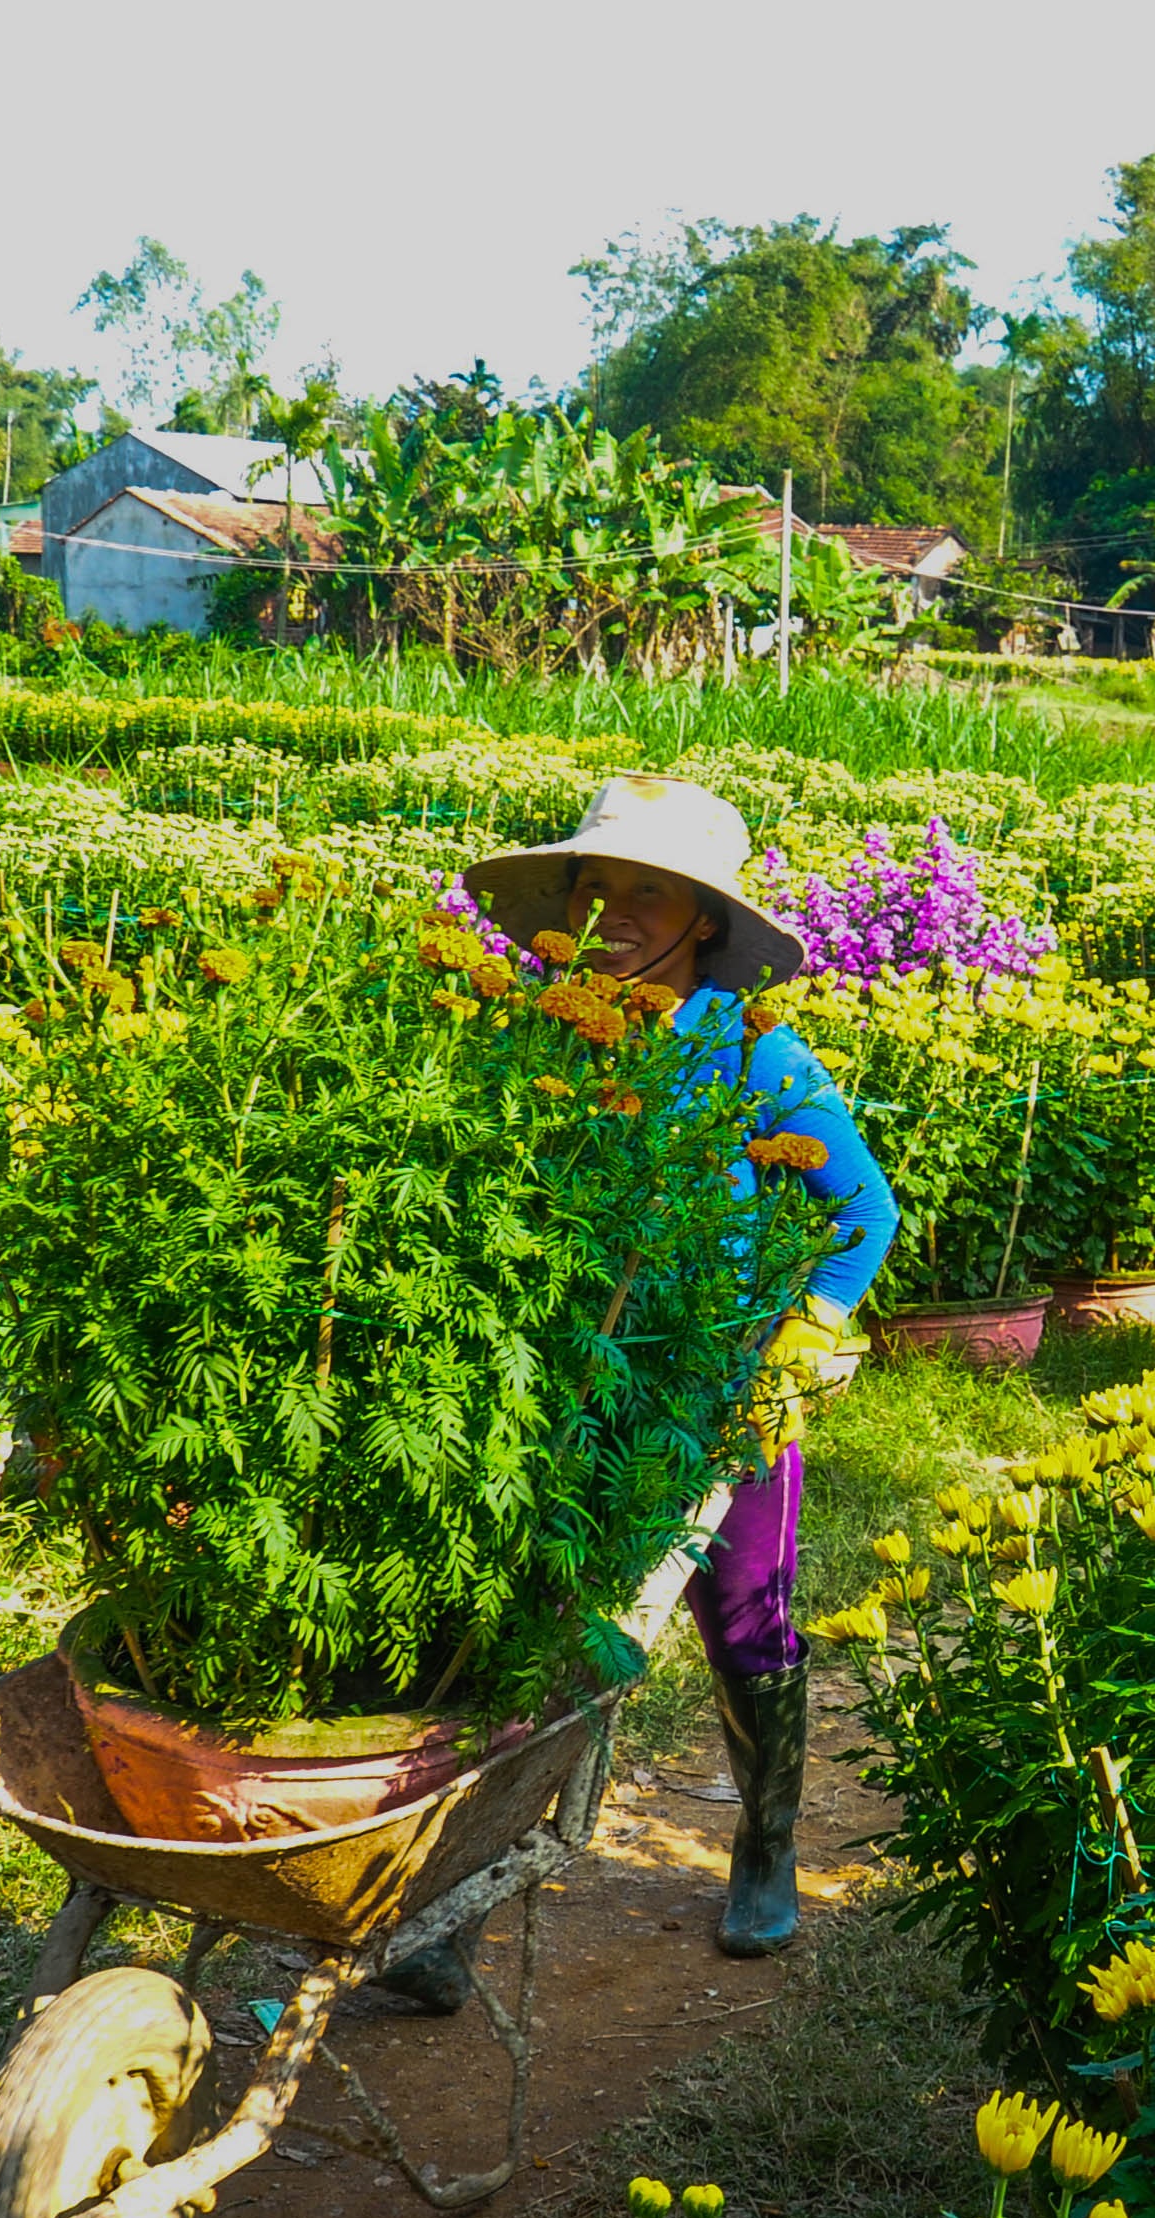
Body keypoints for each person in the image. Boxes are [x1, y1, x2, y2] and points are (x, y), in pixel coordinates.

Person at [381, 777, 896, 1996]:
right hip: (567, 1385)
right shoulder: (544, 1031)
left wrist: (792, 1350)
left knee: (743, 1618)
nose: (609, 911)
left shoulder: (753, 1051)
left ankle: (765, 1845)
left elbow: (861, 1213)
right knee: (537, 1632)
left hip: (719, 1389)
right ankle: (457, 1902)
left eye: (645, 891)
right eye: (594, 887)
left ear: (703, 922)